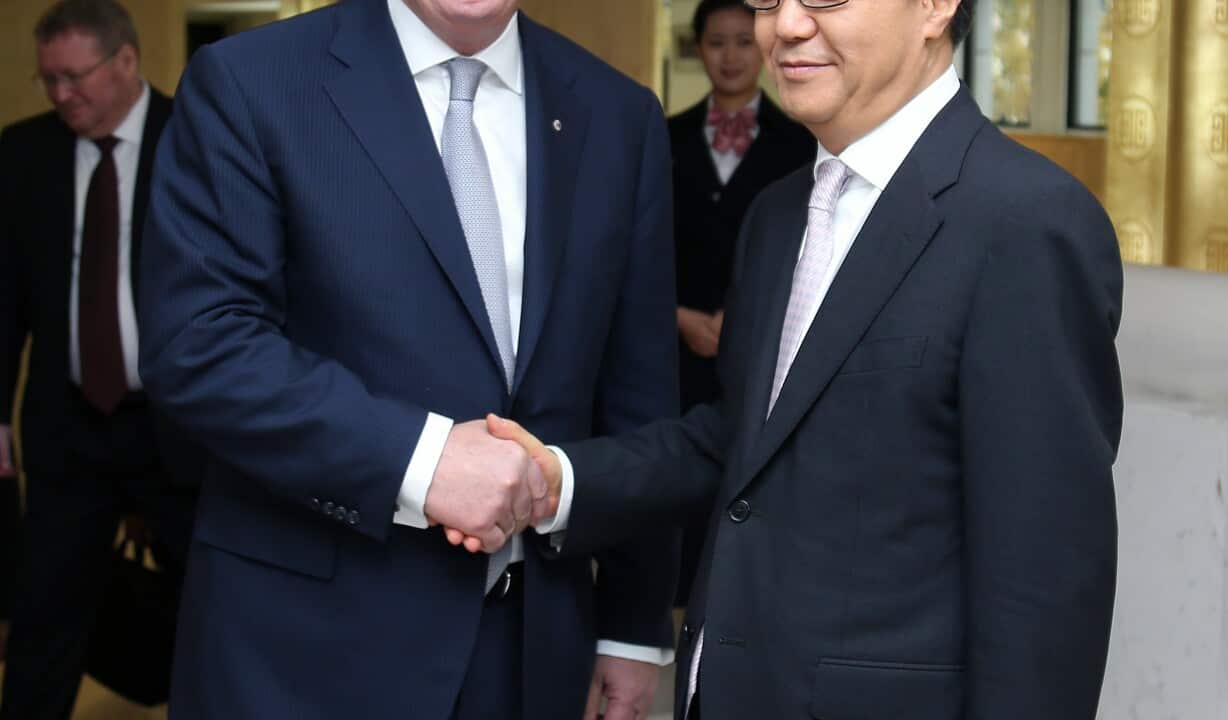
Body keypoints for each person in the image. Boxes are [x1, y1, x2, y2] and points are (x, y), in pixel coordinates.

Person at [483, 0, 1125, 717]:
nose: (783, 26)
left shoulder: (1027, 226)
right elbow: (741, 442)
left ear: (936, 8)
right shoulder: (779, 214)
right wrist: (557, 479)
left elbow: (1043, 586)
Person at [137, 0, 680, 717]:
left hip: (530, 651)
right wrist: (420, 462)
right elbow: (200, 344)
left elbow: (638, 391)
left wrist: (633, 629)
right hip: (305, 650)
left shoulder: (619, 115)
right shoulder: (248, 82)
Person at [0, 1, 198, 717]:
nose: (60, 96)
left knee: (215, 605)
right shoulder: (21, 155)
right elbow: (5, 297)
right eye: (48, 79)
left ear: (125, 61)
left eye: (75, 77)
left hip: (181, 429)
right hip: (68, 428)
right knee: (44, 614)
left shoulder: (199, 141)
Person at [668, 0, 813, 605]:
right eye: (717, 42)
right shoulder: (661, 135)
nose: (730, 56)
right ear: (698, 48)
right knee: (669, 484)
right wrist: (675, 315)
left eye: (742, 41)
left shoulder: (804, 141)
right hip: (670, 347)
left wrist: (742, 321)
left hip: (758, 350)